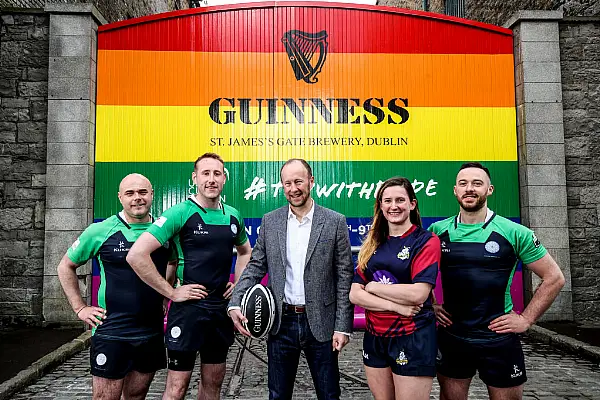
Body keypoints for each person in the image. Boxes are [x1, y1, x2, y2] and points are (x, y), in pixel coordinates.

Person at [429, 162, 566, 400]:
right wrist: (431, 304)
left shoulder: (514, 232)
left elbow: (554, 278)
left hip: (498, 338)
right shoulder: (437, 230)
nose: (469, 189)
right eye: (463, 184)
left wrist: (526, 319)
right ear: (455, 190)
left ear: (489, 190)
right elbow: (419, 275)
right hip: (453, 337)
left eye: (477, 183)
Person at [126, 153, 252, 400]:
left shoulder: (234, 215)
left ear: (224, 178)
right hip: (188, 311)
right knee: (177, 388)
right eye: (205, 173)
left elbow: (245, 251)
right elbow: (136, 255)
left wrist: (238, 286)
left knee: (213, 384)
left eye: (217, 174)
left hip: (220, 310)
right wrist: (171, 292)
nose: (211, 179)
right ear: (195, 178)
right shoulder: (179, 213)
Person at [228, 158, 354, 400]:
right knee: (278, 394)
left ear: (311, 181)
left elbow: (344, 275)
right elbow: (255, 265)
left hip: (322, 322)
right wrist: (236, 301)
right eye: (288, 183)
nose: (293, 188)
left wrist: (342, 326)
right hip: (281, 322)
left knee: (329, 394)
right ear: (282, 186)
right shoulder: (270, 221)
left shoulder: (334, 221)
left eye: (299, 181)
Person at [57, 173, 176, 400]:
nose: (137, 198)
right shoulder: (101, 230)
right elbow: (65, 266)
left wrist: (164, 295)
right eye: (130, 193)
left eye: (142, 192)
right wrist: (80, 308)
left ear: (152, 194)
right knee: (105, 398)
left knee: (137, 395)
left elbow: (173, 261)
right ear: (120, 197)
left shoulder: (163, 232)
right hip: (112, 330)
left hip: (150, 331)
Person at [349, 177, 441, 400]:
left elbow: (418, 293)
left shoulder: (426, 240)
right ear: (380, 206)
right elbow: (354, 294)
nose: (394, 206)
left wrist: (372, 287)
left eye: (400, 200)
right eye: (387, 200)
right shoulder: (373, 242)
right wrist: (395, 306)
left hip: (412, 336)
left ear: (413, 203)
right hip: (375, 337)